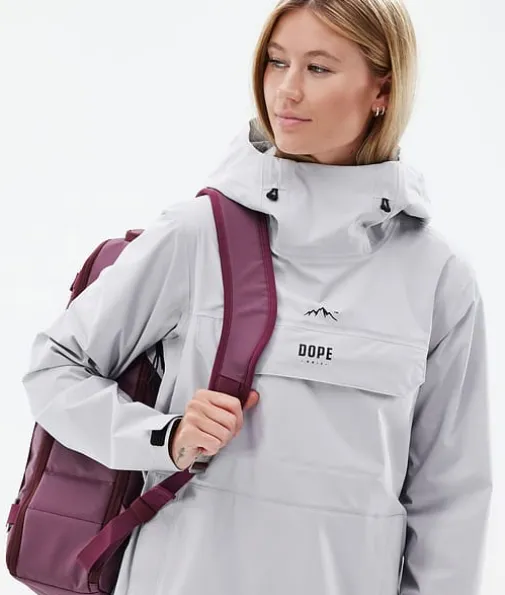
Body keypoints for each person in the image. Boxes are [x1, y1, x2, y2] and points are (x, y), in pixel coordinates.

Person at [22, 1, 492, 594]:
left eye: (318, 68)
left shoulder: (437, 275)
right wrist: (163, 437)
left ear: (383, 89)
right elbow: (53, 368)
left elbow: (450, 496)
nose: (286, 90)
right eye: (276, 62)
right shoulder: (200, 234)